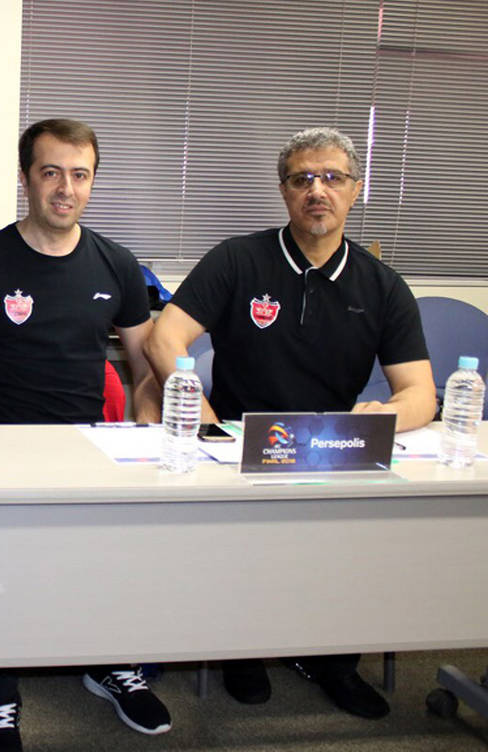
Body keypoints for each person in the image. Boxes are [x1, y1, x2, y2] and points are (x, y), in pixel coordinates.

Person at [144, 126, 437, 719]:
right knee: (245, 550)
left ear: (355, 189)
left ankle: (334, 662)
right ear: (284, 191)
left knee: (355, 550)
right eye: (302, 179)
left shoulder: (382, 285)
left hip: (332, 448)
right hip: (239, 443)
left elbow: (421, 394)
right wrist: (205, 422)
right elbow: (164, 338)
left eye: (332, 178)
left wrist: (381, 417)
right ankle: (242, 651)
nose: (316, 190)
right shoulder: (238, 259)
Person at [0, 118, 168, 751]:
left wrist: (143, 437)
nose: (66, 188)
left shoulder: (117, 264)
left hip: (88, 449)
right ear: (26, 178)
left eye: (80, 175)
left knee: (111, 558)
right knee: (1, 571)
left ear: (92, 181)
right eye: (51, 172)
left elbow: (146, 369)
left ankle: (110, 662)